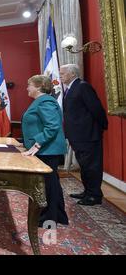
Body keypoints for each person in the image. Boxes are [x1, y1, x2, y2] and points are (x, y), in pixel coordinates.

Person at [21, 75, 69, 227]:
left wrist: (36, 145)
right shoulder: (40, 101)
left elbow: (52, 126)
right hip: (46, 149)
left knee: (46, 184)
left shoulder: (45, 101)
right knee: (51, 182)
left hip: (47, 150)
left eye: (29, 85)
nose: (27, 88)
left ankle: (48, 218)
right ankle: (57, 215)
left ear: (38, 86)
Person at [60, 64, 108, 206]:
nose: (60, 75)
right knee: (84, 165)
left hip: (88, 135)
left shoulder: (83, 86)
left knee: (92, 166)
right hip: (78, 136)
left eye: (63, 73)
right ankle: (87, 191)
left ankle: (94, 195)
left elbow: (96, 109)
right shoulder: (71, 88)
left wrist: (100, 128)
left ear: (72, 74)